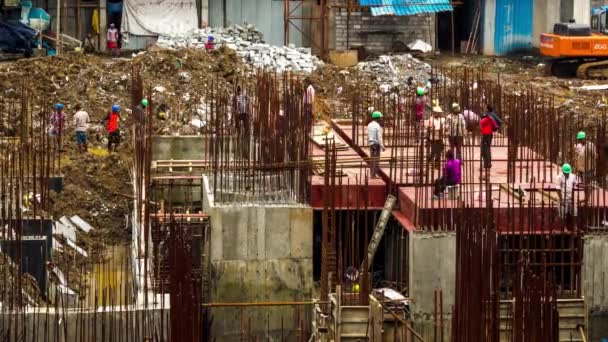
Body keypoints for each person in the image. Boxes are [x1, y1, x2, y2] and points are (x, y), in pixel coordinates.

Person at [425, 103, 445, 168]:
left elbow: (443, 127)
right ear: (434, 113)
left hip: (440, 137)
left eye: (439, 113)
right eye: (437, 113)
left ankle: (436, 164)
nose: (439, 114)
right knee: (434, 151)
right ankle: (431, 160)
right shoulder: (431, 119)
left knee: (439, 151)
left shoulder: (441, 119)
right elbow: (429, 128)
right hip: (433, 137)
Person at [368, 111, 385, 178]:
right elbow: (379, 137)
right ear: (377, 118)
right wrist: (382, 146)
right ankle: (373, 175)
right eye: (380, 118)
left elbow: (369, 135)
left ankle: (372, 174)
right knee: (376, 160)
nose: (381, 119)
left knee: (372, 159)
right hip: (376, 144)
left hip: (371, 144)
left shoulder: (369, 124)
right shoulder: (377, 126)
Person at [235, 86, 250, 159]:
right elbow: (236, 106)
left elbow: (248, 101)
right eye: (239, 91)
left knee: (245, 128)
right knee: (240, 127)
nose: (239, 92)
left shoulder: (243, 96)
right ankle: (240, 132)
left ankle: (244, 133)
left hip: (243, 113)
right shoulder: (237, 97)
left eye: (239, 91)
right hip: (240, 113)